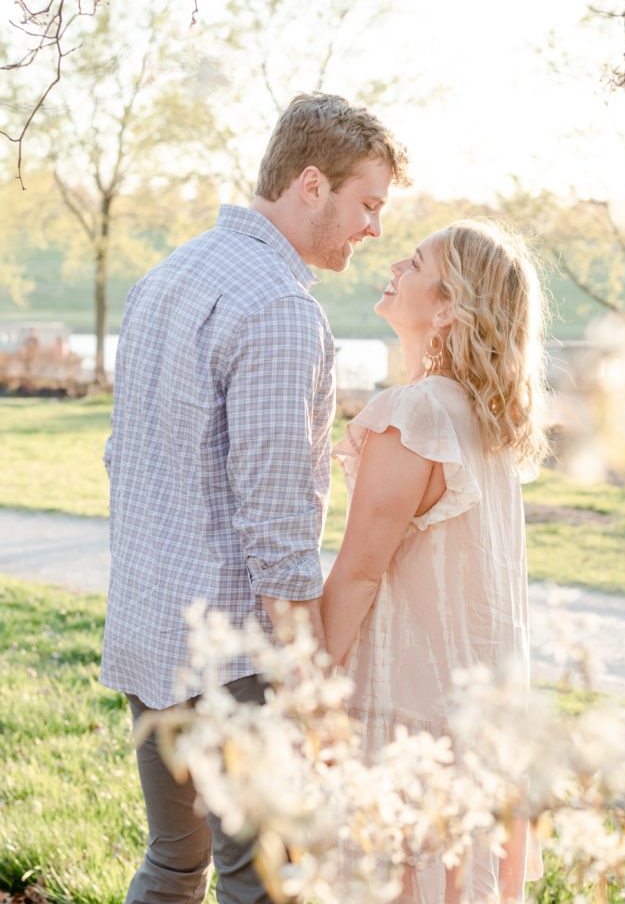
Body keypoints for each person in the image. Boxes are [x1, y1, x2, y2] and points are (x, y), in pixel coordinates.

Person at [100, 91, 409, 904]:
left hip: (146, 632)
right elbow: (277, 533)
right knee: (263, 885)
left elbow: (119, 461)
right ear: (312, 184)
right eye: (367, 204)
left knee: (172, 864)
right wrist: (304, 682)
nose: (374, 228)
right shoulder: (280, 311)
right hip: (232, 661)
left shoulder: (164, 276)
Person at [321, 219, 548, 903]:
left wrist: (303, 692)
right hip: (470, 714)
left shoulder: (417, 414)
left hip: (407, 708)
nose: (394, 261)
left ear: (449, 306)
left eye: (414, 262)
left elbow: (360, 571)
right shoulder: (486, 420)